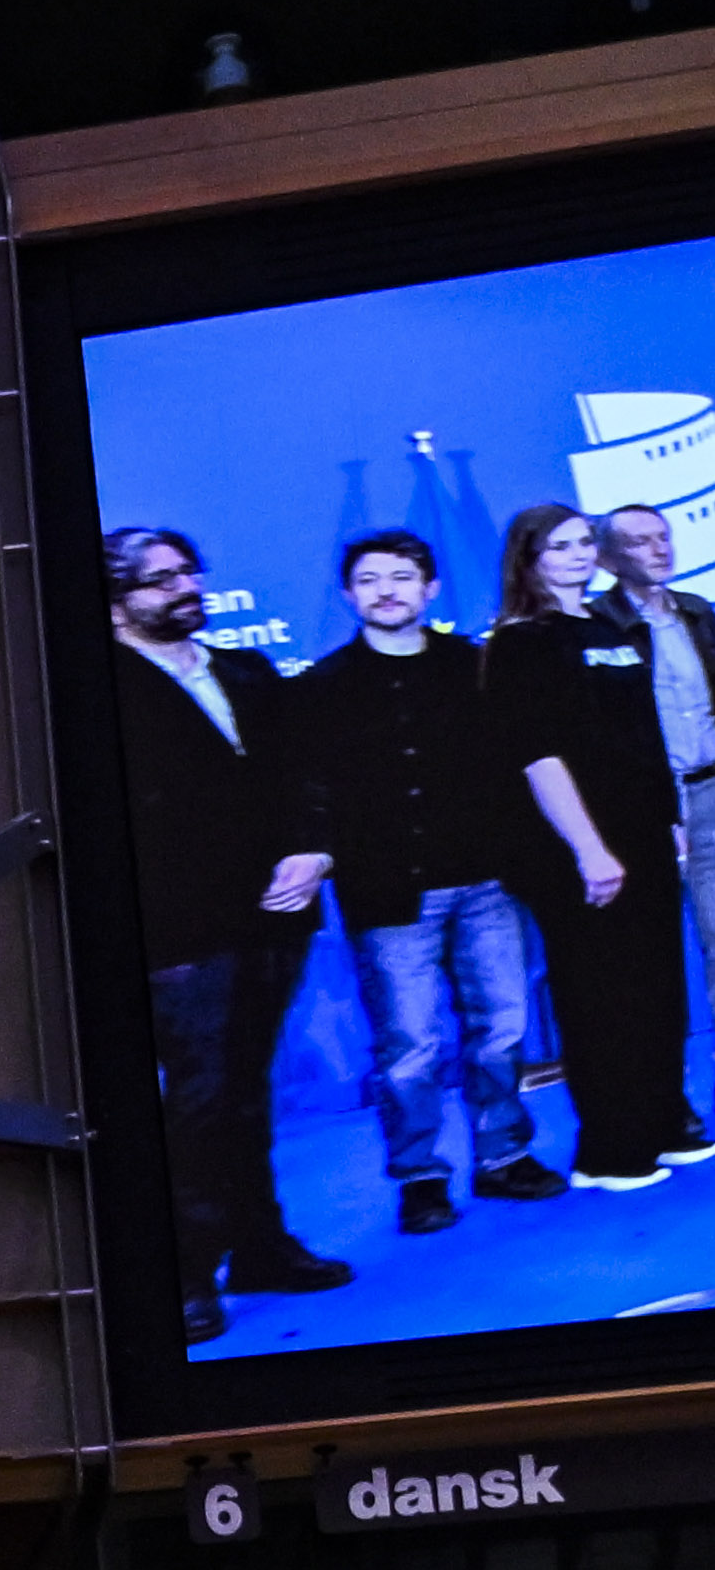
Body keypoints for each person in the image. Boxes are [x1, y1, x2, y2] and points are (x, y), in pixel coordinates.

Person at [263, 527, 567, 1236]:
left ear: (429, 588)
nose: (385, 590)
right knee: (409, 1046)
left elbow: (517, 769)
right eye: (368, 579)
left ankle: (502, 1156)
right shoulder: (319, 688)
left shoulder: (476, 667)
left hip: (487, 883)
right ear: (347, 594)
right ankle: (419, 1178)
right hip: (389, 893)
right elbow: (305, 789)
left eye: (400, 577)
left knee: (501, 1027)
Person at [103, 528, 351, 1325]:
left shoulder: (243, 669)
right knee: (200, 1101)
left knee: (246, 1092)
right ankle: (183, 1275)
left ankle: (259, 1248)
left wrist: (313, 850)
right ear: (116, 597)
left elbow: (306, 771)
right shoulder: (99, 688)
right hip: (180, 930)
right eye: (159, 579)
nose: (183, 588)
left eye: (188, 573)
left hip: (276, 917)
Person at [492, 500, 693, 1193]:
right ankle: (607, 1149)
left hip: (642, 832)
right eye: (558, 546)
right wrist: (587, 847)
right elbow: (538, 755)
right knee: (599, 995)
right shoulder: (522, 640)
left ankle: (662, 1120)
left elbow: (642, 735)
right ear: (528, 560)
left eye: (583, 543)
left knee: (656, 987)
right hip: (577, 846)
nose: (576, 555)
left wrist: (667, 819)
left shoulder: (610, 626)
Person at [610, 500, 715, 1194]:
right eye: (638, 541)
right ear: (607, 554)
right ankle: (664, 1105)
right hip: (641, 809)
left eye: (662, 537)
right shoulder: (596, 626)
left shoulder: (698, 611)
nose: (656, 549)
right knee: (644, 974)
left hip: (710, 796)